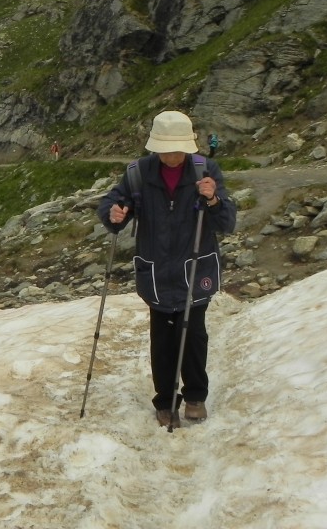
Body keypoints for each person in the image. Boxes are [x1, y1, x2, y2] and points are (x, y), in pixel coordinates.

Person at [97, 110, 236, 428]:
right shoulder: (137, 173)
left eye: (178, 149)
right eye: (166, 149)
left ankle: (196, 397)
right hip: (156, 271)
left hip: (195, 268)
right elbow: (113, 203)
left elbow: (227, 222)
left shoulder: (205, 170)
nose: (172, 156)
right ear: (155, 147)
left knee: (194, 335)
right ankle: (165, 402)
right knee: (162, 339)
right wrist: (114, 214)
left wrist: (213, 200)